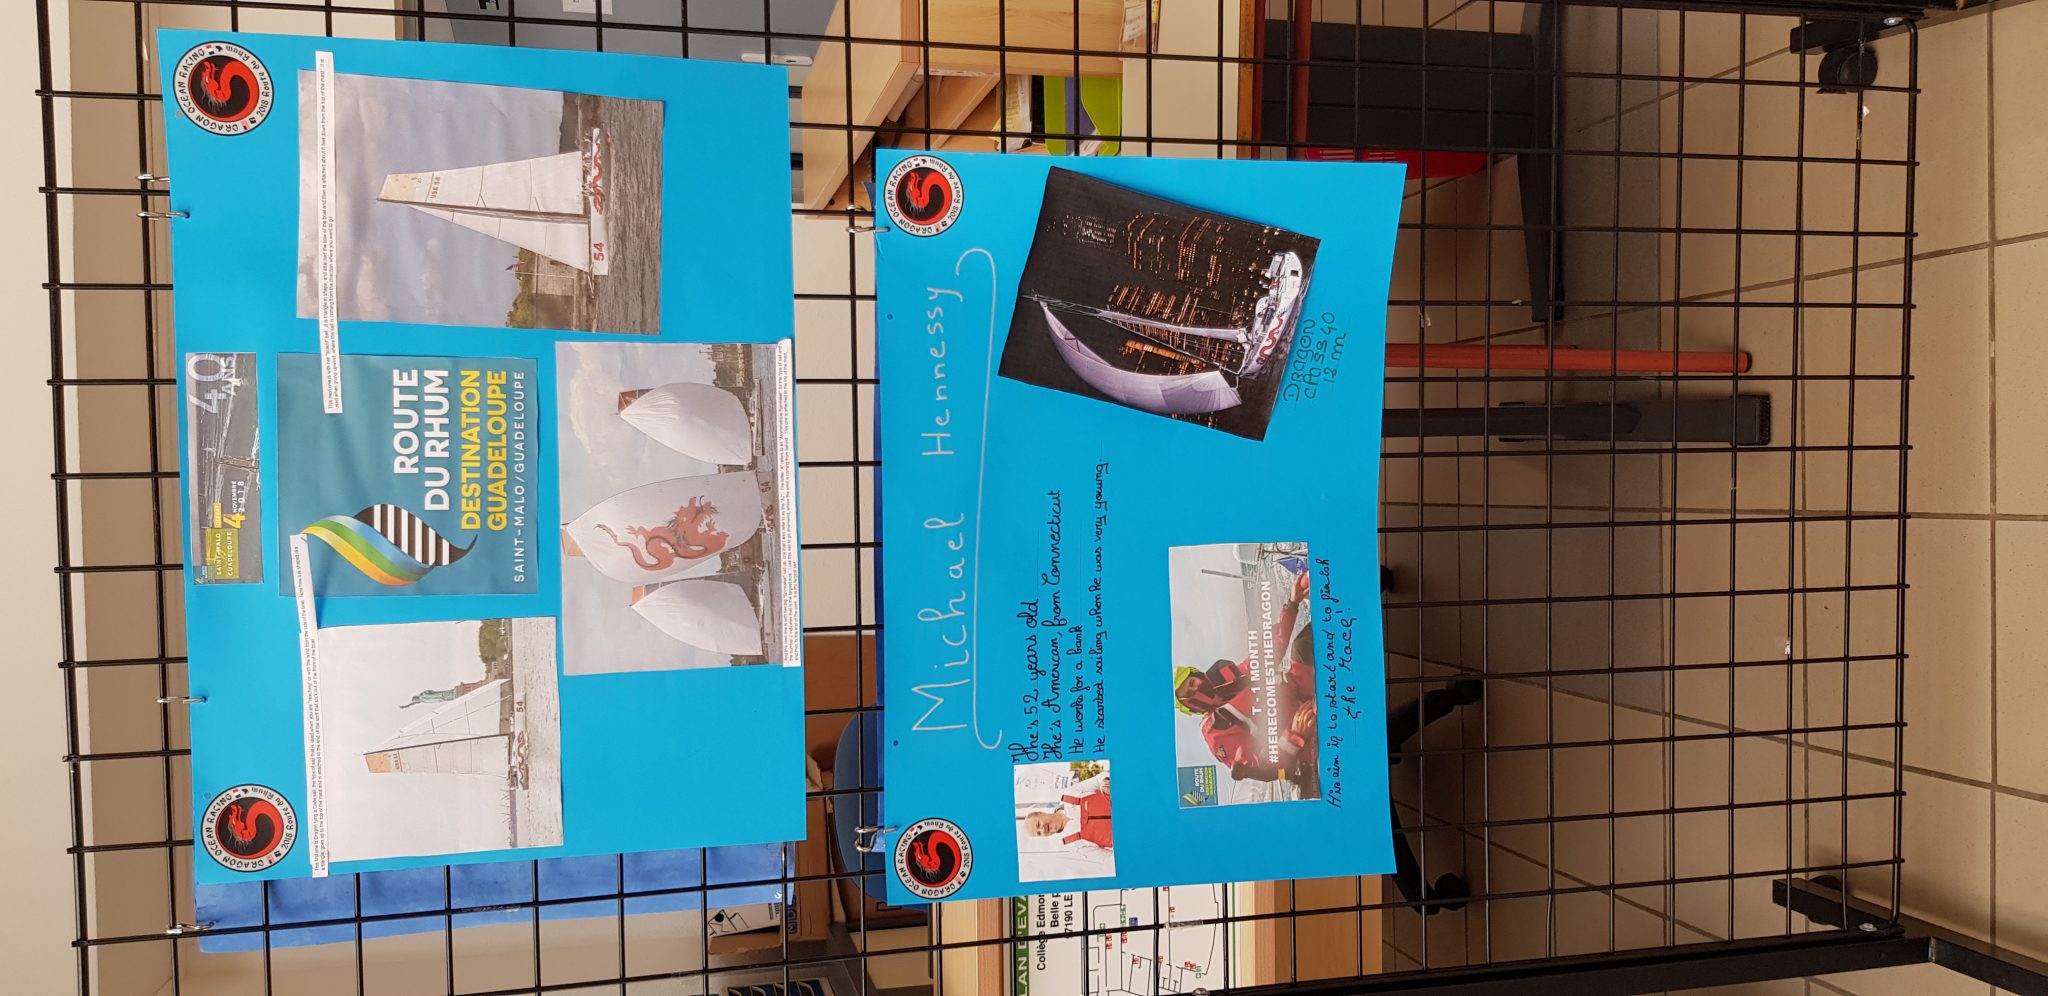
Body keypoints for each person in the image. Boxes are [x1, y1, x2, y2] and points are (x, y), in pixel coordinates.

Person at [1172, 564, 1320, 790]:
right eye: (1189, 694)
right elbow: (1258, 766)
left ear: (1198, 675)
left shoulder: (1227, 678)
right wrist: (1296, 734)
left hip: (1300, 686)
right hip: (1305, 728)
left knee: (1304, 643)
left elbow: (1269, 652)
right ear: (1190, 707)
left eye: (1192, 683)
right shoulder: (1215, 732)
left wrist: (1292, 603)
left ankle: (1358, 592)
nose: (1196, 690)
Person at [1022, 776, 1113, 849]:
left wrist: (1104, 782)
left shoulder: (1069, 794)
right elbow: (1109, 858)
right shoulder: (1071, 844)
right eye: (1039, 833)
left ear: (1041, 813)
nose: (1042, 830)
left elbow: (1098, 779)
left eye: (1038, 825)